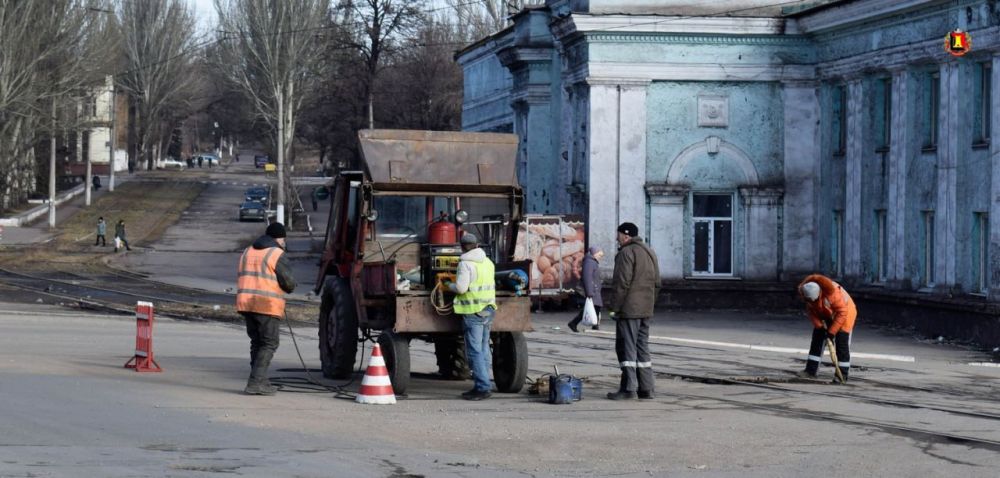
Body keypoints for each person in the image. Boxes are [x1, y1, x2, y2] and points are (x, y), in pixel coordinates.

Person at [236, 223, 297, 395]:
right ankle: (255, 382)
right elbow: (289, 283)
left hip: (246, 303)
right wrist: (290, 285)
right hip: (266, 304)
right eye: (284, 239)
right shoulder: (276, 253)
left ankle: (261, 380)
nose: (284, 243)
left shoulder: (247, 251)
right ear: (279, 238)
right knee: (269, 343)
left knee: (257, 342)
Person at [606, 222, 660, 400]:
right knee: (642, 347)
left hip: (629, 310)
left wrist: (615, 308)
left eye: (618, 234)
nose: (616, 238)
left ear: (625, 236)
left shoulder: (626, 253)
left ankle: (629, 389)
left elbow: (622, 283)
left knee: (626, 347)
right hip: (646, 309)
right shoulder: (649, 251)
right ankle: (647, 388)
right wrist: (649, 303)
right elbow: (658, 283)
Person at [447, 233, 496, 401]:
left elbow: (461, 288)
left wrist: (448, 285)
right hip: (488, 309)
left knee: (474, 351)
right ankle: (484, 382)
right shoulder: (488, 262)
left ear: (462, 247)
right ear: (476, 245)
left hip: (473, 310)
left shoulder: (465, 264)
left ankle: (482, 387)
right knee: (483, 348)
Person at [797, 274, 857, 382]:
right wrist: (819, 326)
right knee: (817, 339)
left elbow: (842, 312)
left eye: (813, 300)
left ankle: (841, 375)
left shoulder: (832, 294)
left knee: (841, 344)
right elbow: (811, 312)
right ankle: (811, 371)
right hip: (827, 314)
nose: (811, 302)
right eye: (809, 301)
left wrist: (832, 332)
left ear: (819, 294)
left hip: (845, 315)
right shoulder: (807, 295)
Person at [567, 246, 604, 332]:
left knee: (596, 307)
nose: (600, 257)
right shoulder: (590, 263)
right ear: (594, 254)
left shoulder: (592, 262)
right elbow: (587, 278)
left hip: (594, 289)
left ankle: (594, 325)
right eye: (599, 255)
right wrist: (589, 292)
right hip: (592, 290)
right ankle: (574, 323)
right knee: (592, 308)